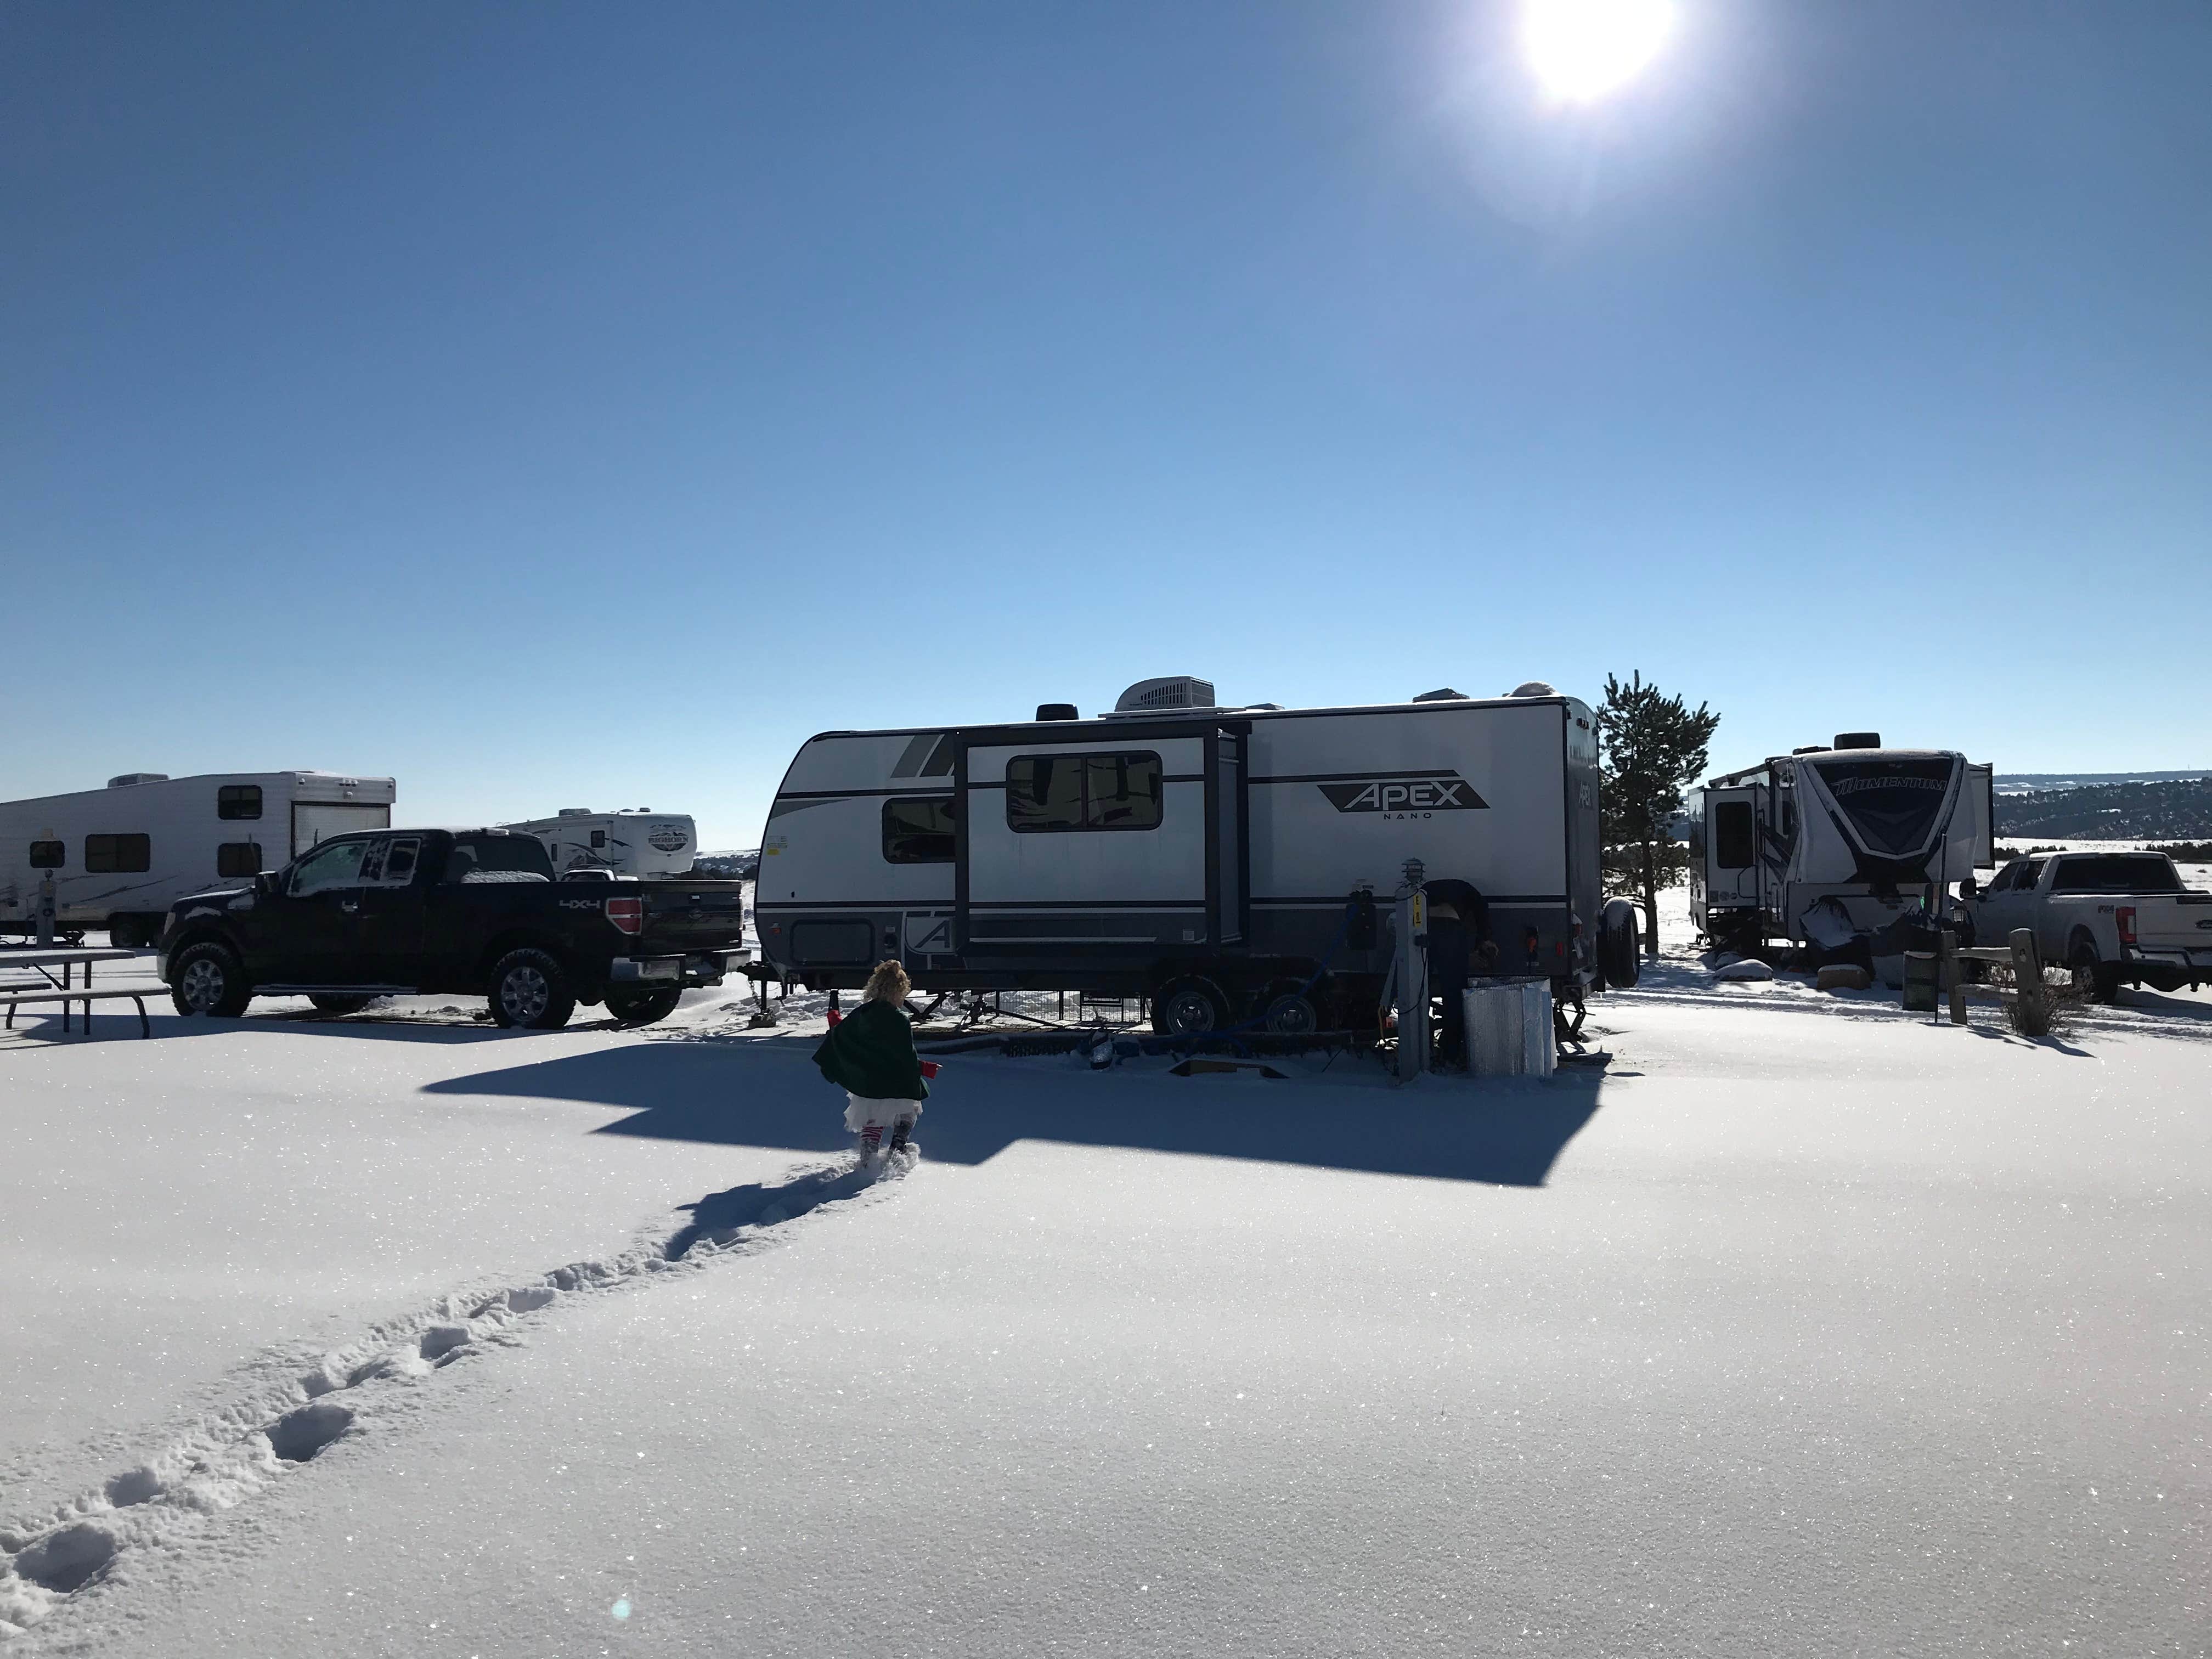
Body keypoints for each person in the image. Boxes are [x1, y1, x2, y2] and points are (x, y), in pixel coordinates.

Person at [812, 960, 929, 1160]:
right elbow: (906, 1056)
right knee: (908, 1113)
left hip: (868, 1084)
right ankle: (897, 1151)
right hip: (895, 1083)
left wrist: (832, 1059)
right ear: (898, 992)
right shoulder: (899, 1020)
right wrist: (919, 1075)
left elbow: (840, 1037)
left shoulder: (862, 1014)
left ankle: (868, 1159)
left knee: (873, 1119)